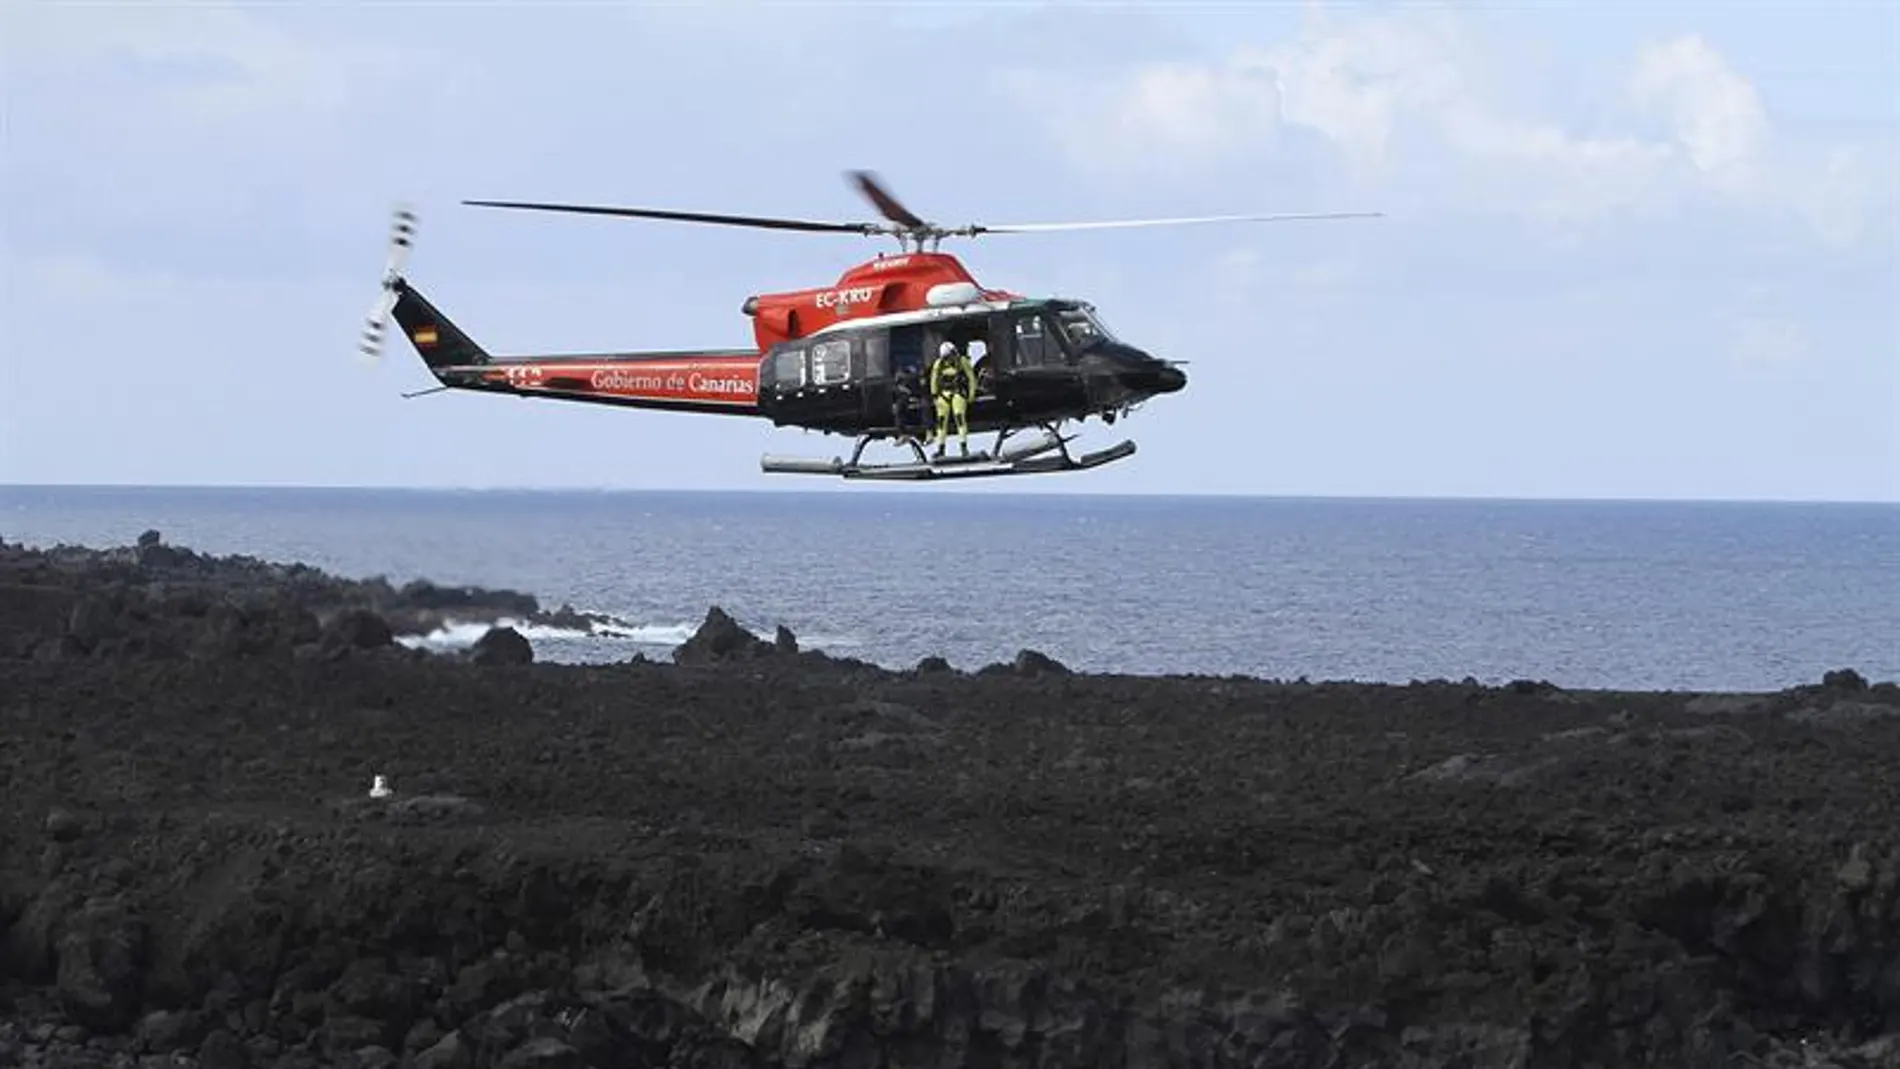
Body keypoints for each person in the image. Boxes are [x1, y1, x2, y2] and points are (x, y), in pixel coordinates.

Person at [928, 339, 976, 458]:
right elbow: (933, 380)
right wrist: (934, 395)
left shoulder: (962, 361)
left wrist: (971, 394)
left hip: (958, 393)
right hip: (943, 396)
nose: (950, 359)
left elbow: (971, 378)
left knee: (960, 418)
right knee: (941, 422)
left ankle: (964, 447)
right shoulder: (938, 364)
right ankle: (941, 449)